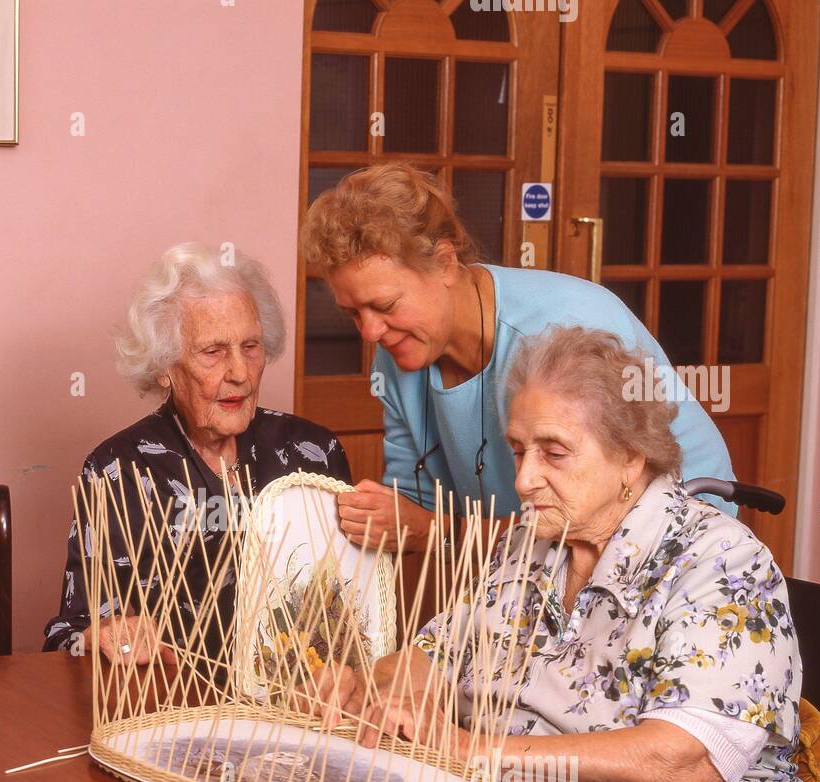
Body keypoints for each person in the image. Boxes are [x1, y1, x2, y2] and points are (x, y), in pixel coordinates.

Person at [239, 326, 801, 782]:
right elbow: (433, 654)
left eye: (553, 452)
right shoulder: (532, 545)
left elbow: (682, 762)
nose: (523, 477)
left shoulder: (718, 565)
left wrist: (474, 752)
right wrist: (372, 686)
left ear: (631, 456)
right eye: (517, 450)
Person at [300, 162, 738, 554]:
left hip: (666, 544)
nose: (370, 331)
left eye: (386, 305)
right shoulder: (397, 355)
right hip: (540, 558)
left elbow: (585, 520)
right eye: (352, 313)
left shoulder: (559, 332)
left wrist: (437, 531)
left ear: (446, 263)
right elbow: (416, 507)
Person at [43, 242, 351, 661]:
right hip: (177, 706)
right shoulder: (120, 469)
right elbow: (69, 635)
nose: (240, 374)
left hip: (302, 705)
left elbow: (351, 610)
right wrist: (107, 635)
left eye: (251, 347)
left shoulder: (313, 451)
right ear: (165, 366)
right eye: (213, 352)